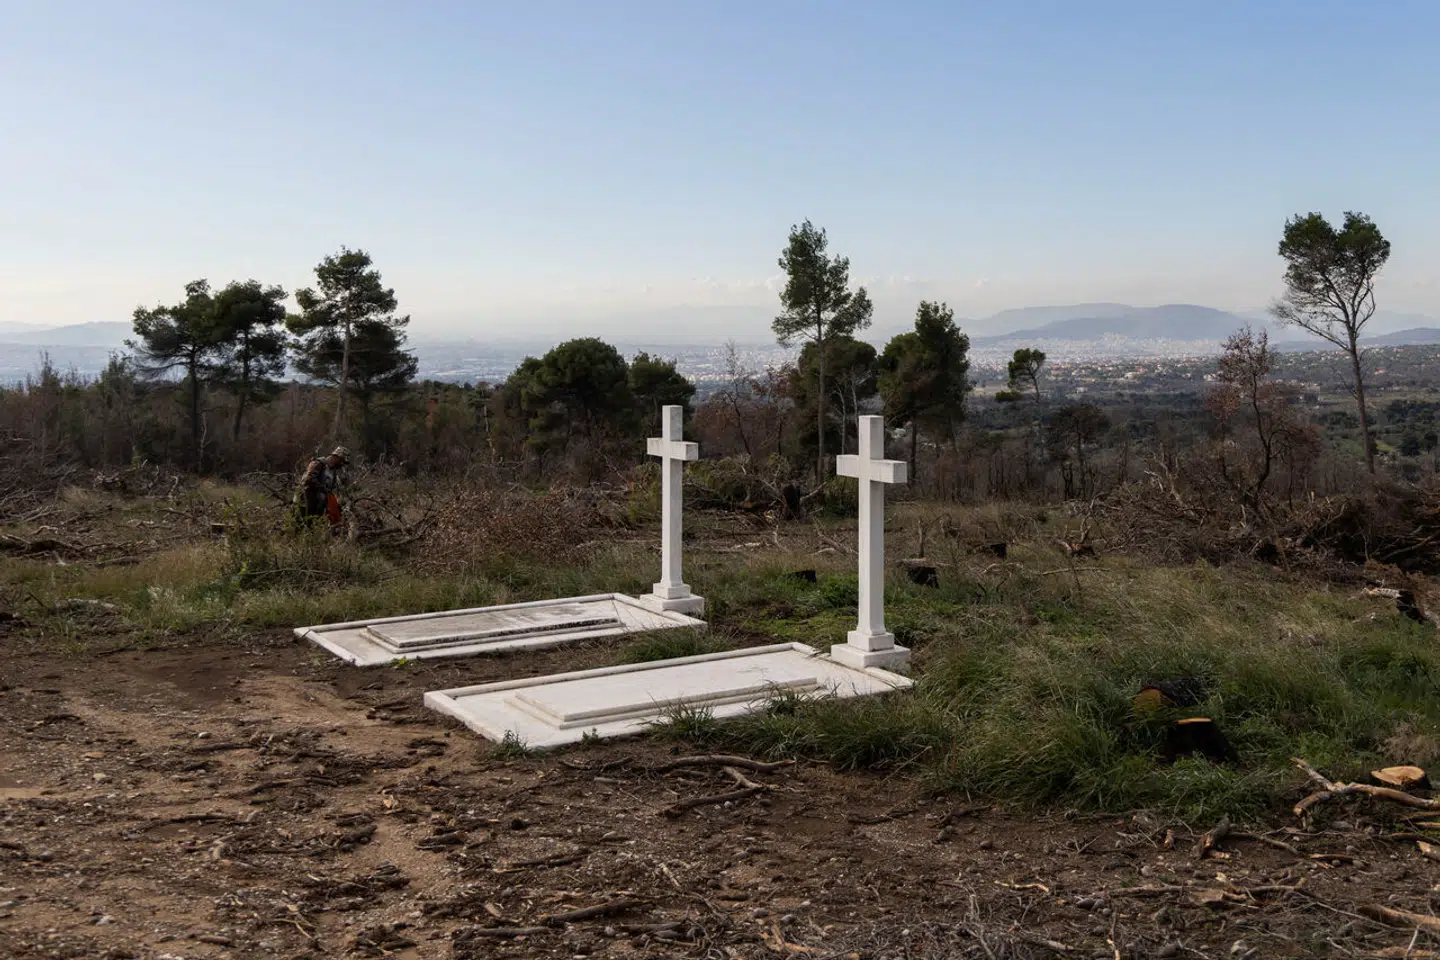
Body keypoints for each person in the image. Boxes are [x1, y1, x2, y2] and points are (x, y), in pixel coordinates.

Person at [295, 446, 349, 530]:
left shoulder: (333, 472)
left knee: (311, 530)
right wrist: (323, 489)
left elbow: (330, 491)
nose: (342, 464)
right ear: (336, 457)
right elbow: (308, 480)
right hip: (305, 502)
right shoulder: (318, 463)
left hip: (317, 505)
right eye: (341, 461)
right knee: (299, 528)